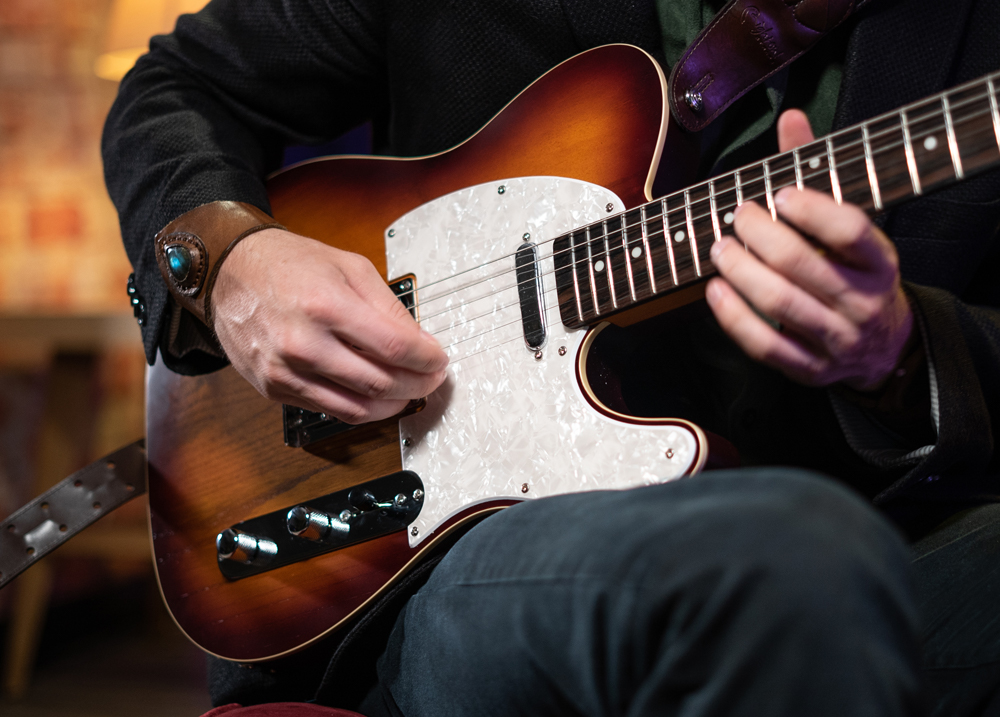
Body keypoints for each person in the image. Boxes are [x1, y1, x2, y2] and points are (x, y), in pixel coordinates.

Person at [102, 0, 1000, 714]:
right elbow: (177, 85)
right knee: (787, 552)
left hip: (891, 541)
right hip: (460, 546)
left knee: (812, 557)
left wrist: (900, 352)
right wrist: (229, 265)